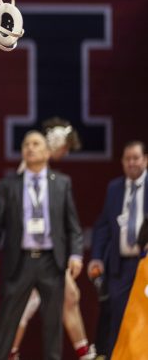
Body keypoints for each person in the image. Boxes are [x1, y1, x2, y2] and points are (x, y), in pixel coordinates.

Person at [0, 131, 83, 360]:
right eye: (26, 144)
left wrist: (76, 255)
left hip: (51, 260)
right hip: (21, 259)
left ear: (47, 152)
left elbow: (73, 225)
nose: (30, 147)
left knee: (52, 321)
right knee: (8, 317)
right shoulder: (8, 185)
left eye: (36, 144)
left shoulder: (62, 183)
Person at [11, 119, 94, 360]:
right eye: (65, 148)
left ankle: (84, 352)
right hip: (32, 252)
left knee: (69, 297)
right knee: (26, 306)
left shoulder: (49, 177)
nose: (65, 154)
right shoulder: (28, 172)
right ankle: (12, 353)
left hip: (47, 252)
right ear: (54, 145)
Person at [88, 140, 147, 357]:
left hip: (146, 266)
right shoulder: (114, 188)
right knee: (118, 318)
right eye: (127, 159)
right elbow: (103, 226)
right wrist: (97, 258)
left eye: (136, 158)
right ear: (122, 162)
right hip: (120, 266)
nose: (131, 163)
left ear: (146, 160)